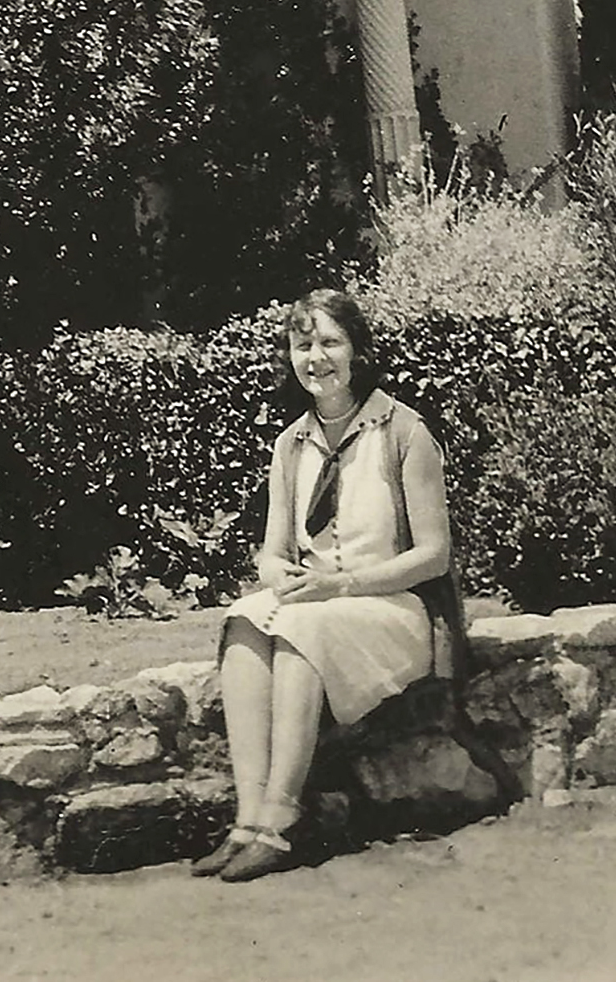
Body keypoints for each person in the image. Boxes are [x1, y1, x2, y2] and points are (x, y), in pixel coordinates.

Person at [195, 288, 458, 883]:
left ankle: (283, 817)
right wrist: (276, 573)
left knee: (303, 624)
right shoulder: (291, 445)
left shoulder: (404, 432)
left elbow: (434, 556)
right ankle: (247, 819)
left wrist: (339, 586)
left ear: (358, 352)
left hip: (392, 609)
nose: (316, 358)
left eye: (330, 343)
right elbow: (272, 551)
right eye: (302, 344)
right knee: (243, 619)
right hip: (320, 605)